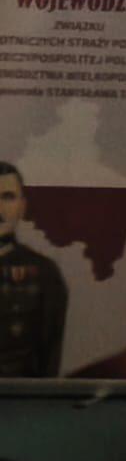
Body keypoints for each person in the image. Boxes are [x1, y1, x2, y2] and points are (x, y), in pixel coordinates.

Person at [0, 160, 69, 378]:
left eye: (8, 197)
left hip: (18, 394)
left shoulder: (45, 275)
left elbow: (48, 361)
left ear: (22, 206)